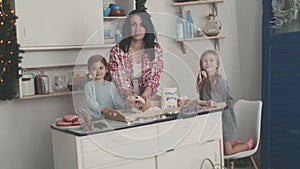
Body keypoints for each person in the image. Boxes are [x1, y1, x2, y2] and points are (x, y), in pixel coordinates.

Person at [195, 50, 254, 155]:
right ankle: (233, 142)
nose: (208, 63)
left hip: (225, 120)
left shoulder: (221, 83)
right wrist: (199, 103)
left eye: (211, 60)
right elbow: (204, 102)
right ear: (202, 65)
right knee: (214, 148)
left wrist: (216, 104)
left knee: (228, 151)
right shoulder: (203, 84)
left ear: (217, 64)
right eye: (205, 61)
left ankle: (248, 144)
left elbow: (229, 101)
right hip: (212, 121)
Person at [109, 9, 163, 112]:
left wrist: (145, 96)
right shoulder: (117, 51)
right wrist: (131, 97)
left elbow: (154, 77)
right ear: (128, 28)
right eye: (133, 25)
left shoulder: (156, 50)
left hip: (148, 98)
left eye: (142, 25)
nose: (137, 29)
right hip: (123, 99)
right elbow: (120, 81)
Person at [84, 55, 125, 119]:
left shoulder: (111, 85)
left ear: (106, 69)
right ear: (89, 71)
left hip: (113, 117)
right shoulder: (89, 86)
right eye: (94, 69)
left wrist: (126, 105)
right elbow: (91, 102)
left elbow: (118, 100)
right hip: (97, 118)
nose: (98, 71)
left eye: (101, 68)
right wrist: (103, 109)